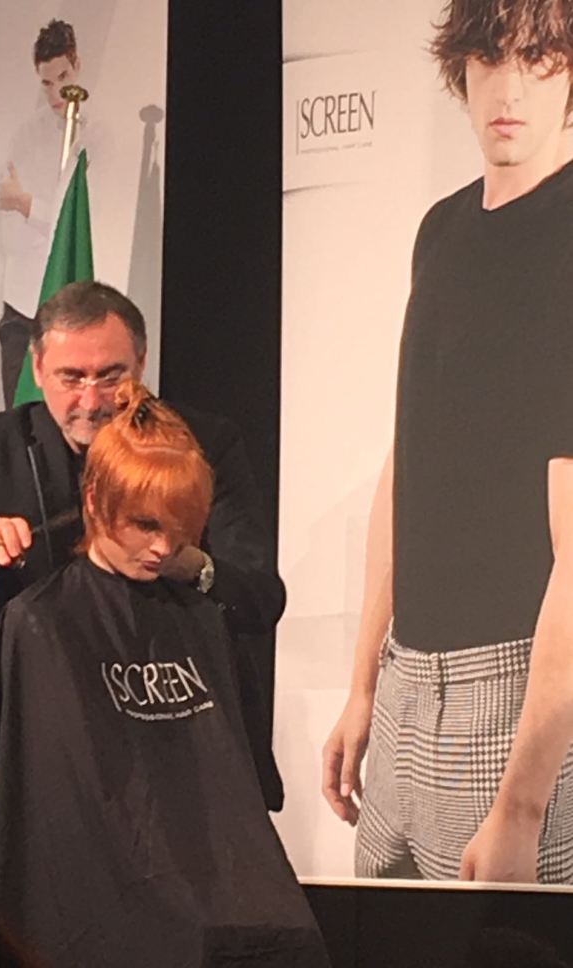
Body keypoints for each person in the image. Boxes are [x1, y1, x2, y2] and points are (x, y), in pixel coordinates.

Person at [0, 382, 328, 968]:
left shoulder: (201, 617)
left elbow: (226, 789)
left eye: (180, 528)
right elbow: (5, 805)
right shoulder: (38, 626)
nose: (164, 548)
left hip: (210, 890)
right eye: (146, 525)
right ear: (95, 501)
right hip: (96, 902)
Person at [0, 280, 285, 807]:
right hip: (38, 723)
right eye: (72, 377)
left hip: (168, 723)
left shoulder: (202, 445)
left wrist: (187, 564)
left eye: (111, 377)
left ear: (142, 362)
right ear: (38, 369)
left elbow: (261, 598)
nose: (91, 401)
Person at [321, 0, 573, 883]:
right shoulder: (442, 229)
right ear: (460, 69)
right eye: (490, 58)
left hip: (513, 695)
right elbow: (411, 460)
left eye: (540, 59)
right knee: (380, 937)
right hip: (404, 688)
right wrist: (364, 686)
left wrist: (522, 808)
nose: (511, 89)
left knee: (492, 942)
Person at [0, 18, 86, 407]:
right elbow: (10, 236)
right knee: (17, 427)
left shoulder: (98, 135)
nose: (56, 94)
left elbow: (80, 224)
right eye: (47, 83)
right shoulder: (24, 137)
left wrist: (28, 203)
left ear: (77, 65)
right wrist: (33, 210)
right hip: (22, 310)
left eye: (62, 78)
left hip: (76, 311)